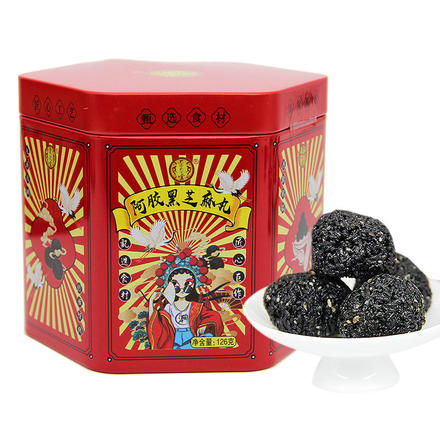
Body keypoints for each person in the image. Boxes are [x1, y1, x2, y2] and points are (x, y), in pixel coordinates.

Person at [147, 268, 223, 349]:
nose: (182, 288)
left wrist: (203, 325)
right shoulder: (169, 307)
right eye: (175, 284)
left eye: (188, 283)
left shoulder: (196, 306)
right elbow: (154, 322)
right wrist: (151, 301)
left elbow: (214, 316)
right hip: (174, 337)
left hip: (191, 336)